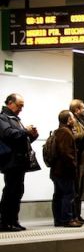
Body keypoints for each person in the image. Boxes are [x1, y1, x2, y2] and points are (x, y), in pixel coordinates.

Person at [0, 93, 38, 231]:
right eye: (19, 105)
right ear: (10, 103)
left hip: (18, 161)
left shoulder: (15, 118)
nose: (21, 109)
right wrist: (25, 131)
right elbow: (9, 134)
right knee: (10, 192)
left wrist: (32, 136)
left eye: (22, 106)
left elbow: (20, 138)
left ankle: (14, 221)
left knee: (17, 192)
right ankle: (5, 222)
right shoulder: (3, 118)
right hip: (11, 162)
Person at [50, 110, 81, 227]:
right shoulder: (66, 133)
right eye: (73, 118)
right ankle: (67, 219)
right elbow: (67, 154)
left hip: (56, 171)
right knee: (68, 194)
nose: (74, 120)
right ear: (68, 120)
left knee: (58, 195)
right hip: (64, 171)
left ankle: (58, 219)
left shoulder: (58, 131)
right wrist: (73, 167)